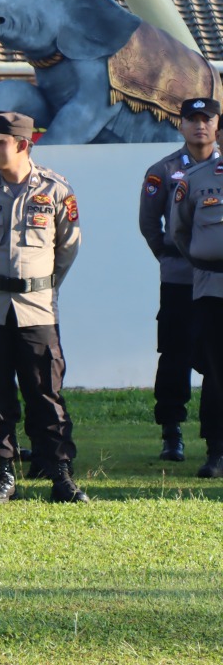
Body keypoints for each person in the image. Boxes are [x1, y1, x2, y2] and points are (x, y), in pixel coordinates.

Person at [0, 111, 87, 503]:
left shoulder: (56, 189)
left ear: (22, 145)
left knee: (45, 392)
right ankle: (2, 474)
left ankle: (59, 475)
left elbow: (68, 247)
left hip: (37, 308)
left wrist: (39, 286)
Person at [139, 96, 221, 461]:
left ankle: (215, 439)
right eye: (193, 119)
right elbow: (150, 223)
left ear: (217, 125)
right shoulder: (164, 170)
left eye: (207, 119)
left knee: (215, 357)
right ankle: (171, 431)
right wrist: (171, 256)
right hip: (180, 278)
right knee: (175, 352)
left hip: (217, 281)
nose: (200, 125)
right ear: (181, 124)